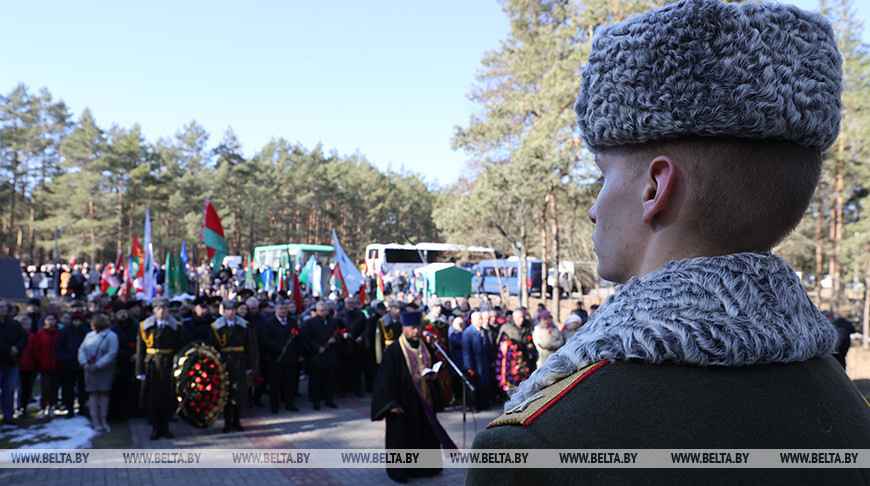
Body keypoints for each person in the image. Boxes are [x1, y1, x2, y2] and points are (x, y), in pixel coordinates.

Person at [469, 1, 870, 484]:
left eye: (603, 175)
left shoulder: (537, 446)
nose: (594, 208)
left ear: (655, 189)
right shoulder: (843, 403)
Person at [371, 310, 455, 483]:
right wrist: (390, 403)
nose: (416, 331)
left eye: (417, 327)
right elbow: (385, 380)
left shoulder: (426, 346)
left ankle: (427, 468)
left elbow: (433, 367)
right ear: (404, 328)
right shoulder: (394, 350)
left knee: (425, 435)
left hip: (424, 403)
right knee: (403, 437)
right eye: (412, 328)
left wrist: (433, 377)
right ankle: (401, 471)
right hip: (403, 403)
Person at [136, 297, 184, 440]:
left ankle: (165, 427)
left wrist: (178, 366)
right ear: (153, 311)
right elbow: (141, 349)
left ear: (168, 310)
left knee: (168, 398)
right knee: (153, 399)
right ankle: (155, 428)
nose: (162, 311)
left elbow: (179, 348)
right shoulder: (145, 326)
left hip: (168, 364)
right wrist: (139, 370)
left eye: (164, 308)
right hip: (151, 365)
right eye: (158, 309)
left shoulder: (176, 326)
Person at [211, 299, 254, 432]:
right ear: (223, 311)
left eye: (233, 310)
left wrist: (250, 366)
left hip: (239, 362)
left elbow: (249, 347)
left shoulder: (244, 325)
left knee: (239, 392)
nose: (231, 313)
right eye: (228, 310)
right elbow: (213, 346)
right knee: (226, 393)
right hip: (224, 363)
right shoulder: (216, 327)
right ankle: (227, 422)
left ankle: (237, 420)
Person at [259, 299, 302, 413]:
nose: (283, 311)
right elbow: (265, 339)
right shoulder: (269, 322)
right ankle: (274, 405)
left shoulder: (292, 322)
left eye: (285, 309)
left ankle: (289, 403)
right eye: (281, 309)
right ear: (275, 310)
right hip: (275, 358)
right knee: (275, 383)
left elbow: (298, 339)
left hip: (290, 358)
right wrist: (278, 348)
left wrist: (298, 354)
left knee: (289, 382)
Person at [78, 313, 118, 432]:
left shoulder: (111, 336)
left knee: (104, 393)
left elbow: (112, 353)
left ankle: (103, 419)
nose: (90, 324)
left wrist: (98, 364)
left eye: (93, 322)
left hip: (104, 370)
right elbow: (82, 349)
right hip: (90, 370)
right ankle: (95, 420)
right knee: (93, 394)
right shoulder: (89, 335)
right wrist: (84, 363)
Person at [301, 301, 339, 410]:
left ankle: (329, 399)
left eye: (325, 310)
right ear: (317, 311)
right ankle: (315, 400)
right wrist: (317, 347)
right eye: (321, 311)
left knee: (329, 380)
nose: (324, 312)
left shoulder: (333, 322)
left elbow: (338, 334)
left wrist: (335, 340)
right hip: (316, 356)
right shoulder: (310, 323)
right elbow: (306, 338)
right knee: (316, 380)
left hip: (330, 355)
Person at [56, 311, 88, 418]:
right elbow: (59, 347)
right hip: (68, 364)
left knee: (82, 388)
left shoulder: (86, 331)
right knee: (68, 388)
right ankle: (70, 408)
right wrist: (66, 359)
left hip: (82, 364)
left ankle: (82, 407)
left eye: (79, 320)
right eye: (75, 320)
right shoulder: (65, 331)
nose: (77, 322)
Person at [336, 296, 366, 397]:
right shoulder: (339, 315)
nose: (351, 305)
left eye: (353, 303)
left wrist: (361, 337)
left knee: (357, 370)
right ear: (345, 304)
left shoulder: (360, 315)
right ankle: (343, 390)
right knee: (343, 370)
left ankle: (357, 389)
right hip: (344, 347)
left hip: (357, 346)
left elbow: (366, 329)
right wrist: (342, 334)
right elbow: (336, 329)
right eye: (349, 303)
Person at [462, 311, 492, 411]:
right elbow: (466, 352)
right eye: (479, 319)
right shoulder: (467, 333)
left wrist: (491, 360)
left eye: (481, 318)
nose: (481, 321)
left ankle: (483, 404)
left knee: (484, 385)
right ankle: (474, 406)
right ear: (473, 320)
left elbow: (488, 347)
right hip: (474, 363)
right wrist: (469, 366)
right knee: (475, 386)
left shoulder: (484, 331)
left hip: (484, 363)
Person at [34, 314, 62, 417]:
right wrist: (40, 361)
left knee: (54, 387)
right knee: (45, 387)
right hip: (44, 365)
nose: (51, 322)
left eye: (52, 319)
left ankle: (52, 405)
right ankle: (43, 406)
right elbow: (36, 349)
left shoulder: (59, 333)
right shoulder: (40, 334)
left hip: (57, 365)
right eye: (48, 319)